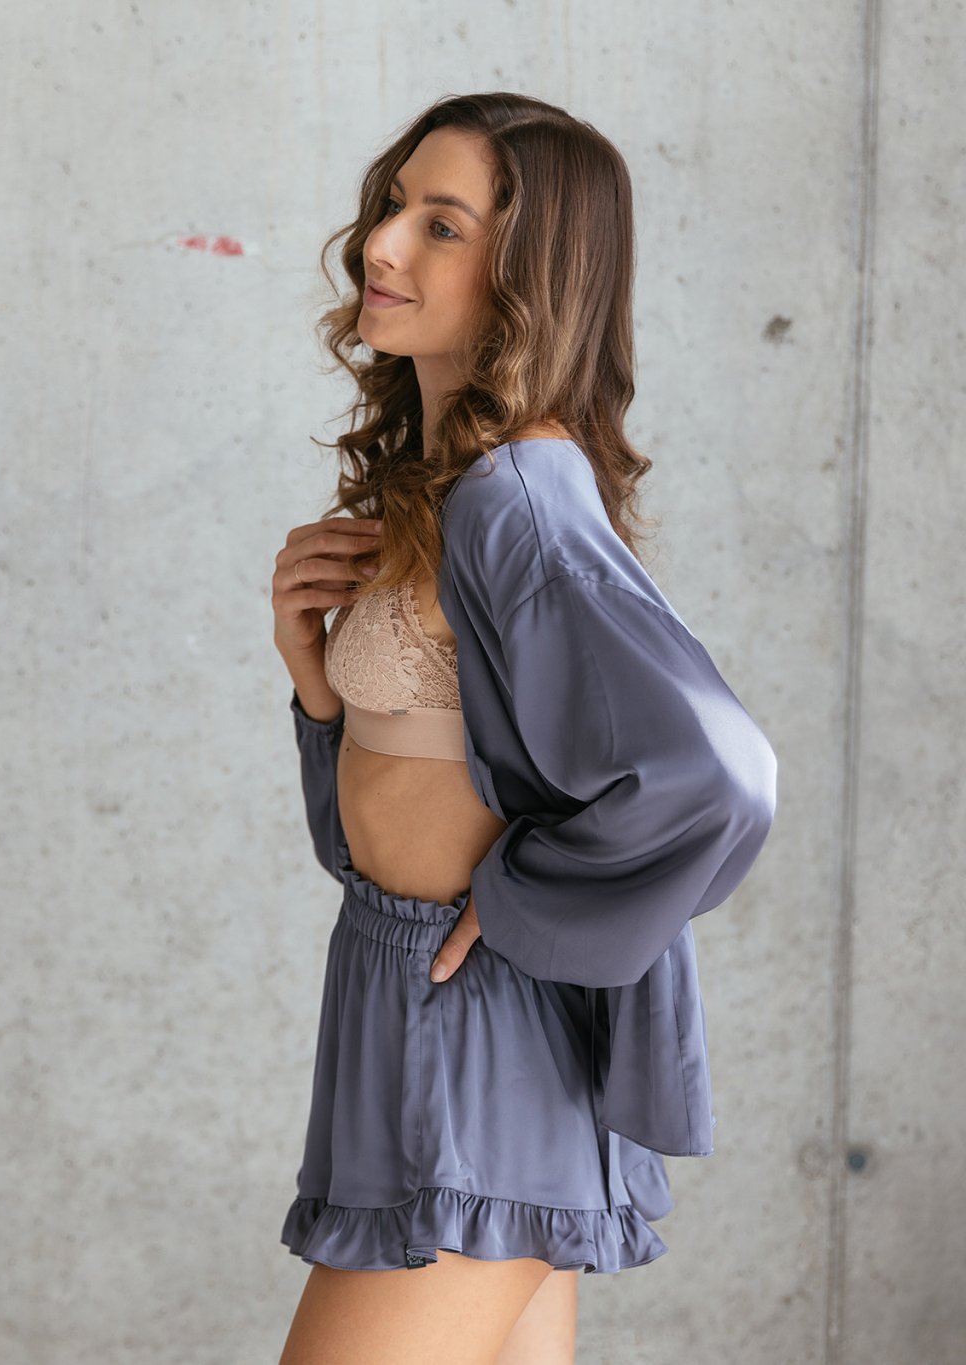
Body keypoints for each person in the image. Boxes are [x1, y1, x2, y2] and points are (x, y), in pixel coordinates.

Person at [270, 92, 778, 1365]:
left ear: (530, 277)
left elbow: (718, 774)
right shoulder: (450, 486)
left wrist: (522, 903)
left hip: (476, 1030)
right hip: (396, 993)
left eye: (440, 226)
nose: (381, 245)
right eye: (393, 205)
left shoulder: (518, 497)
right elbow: (374, 827)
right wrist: (318, 685)